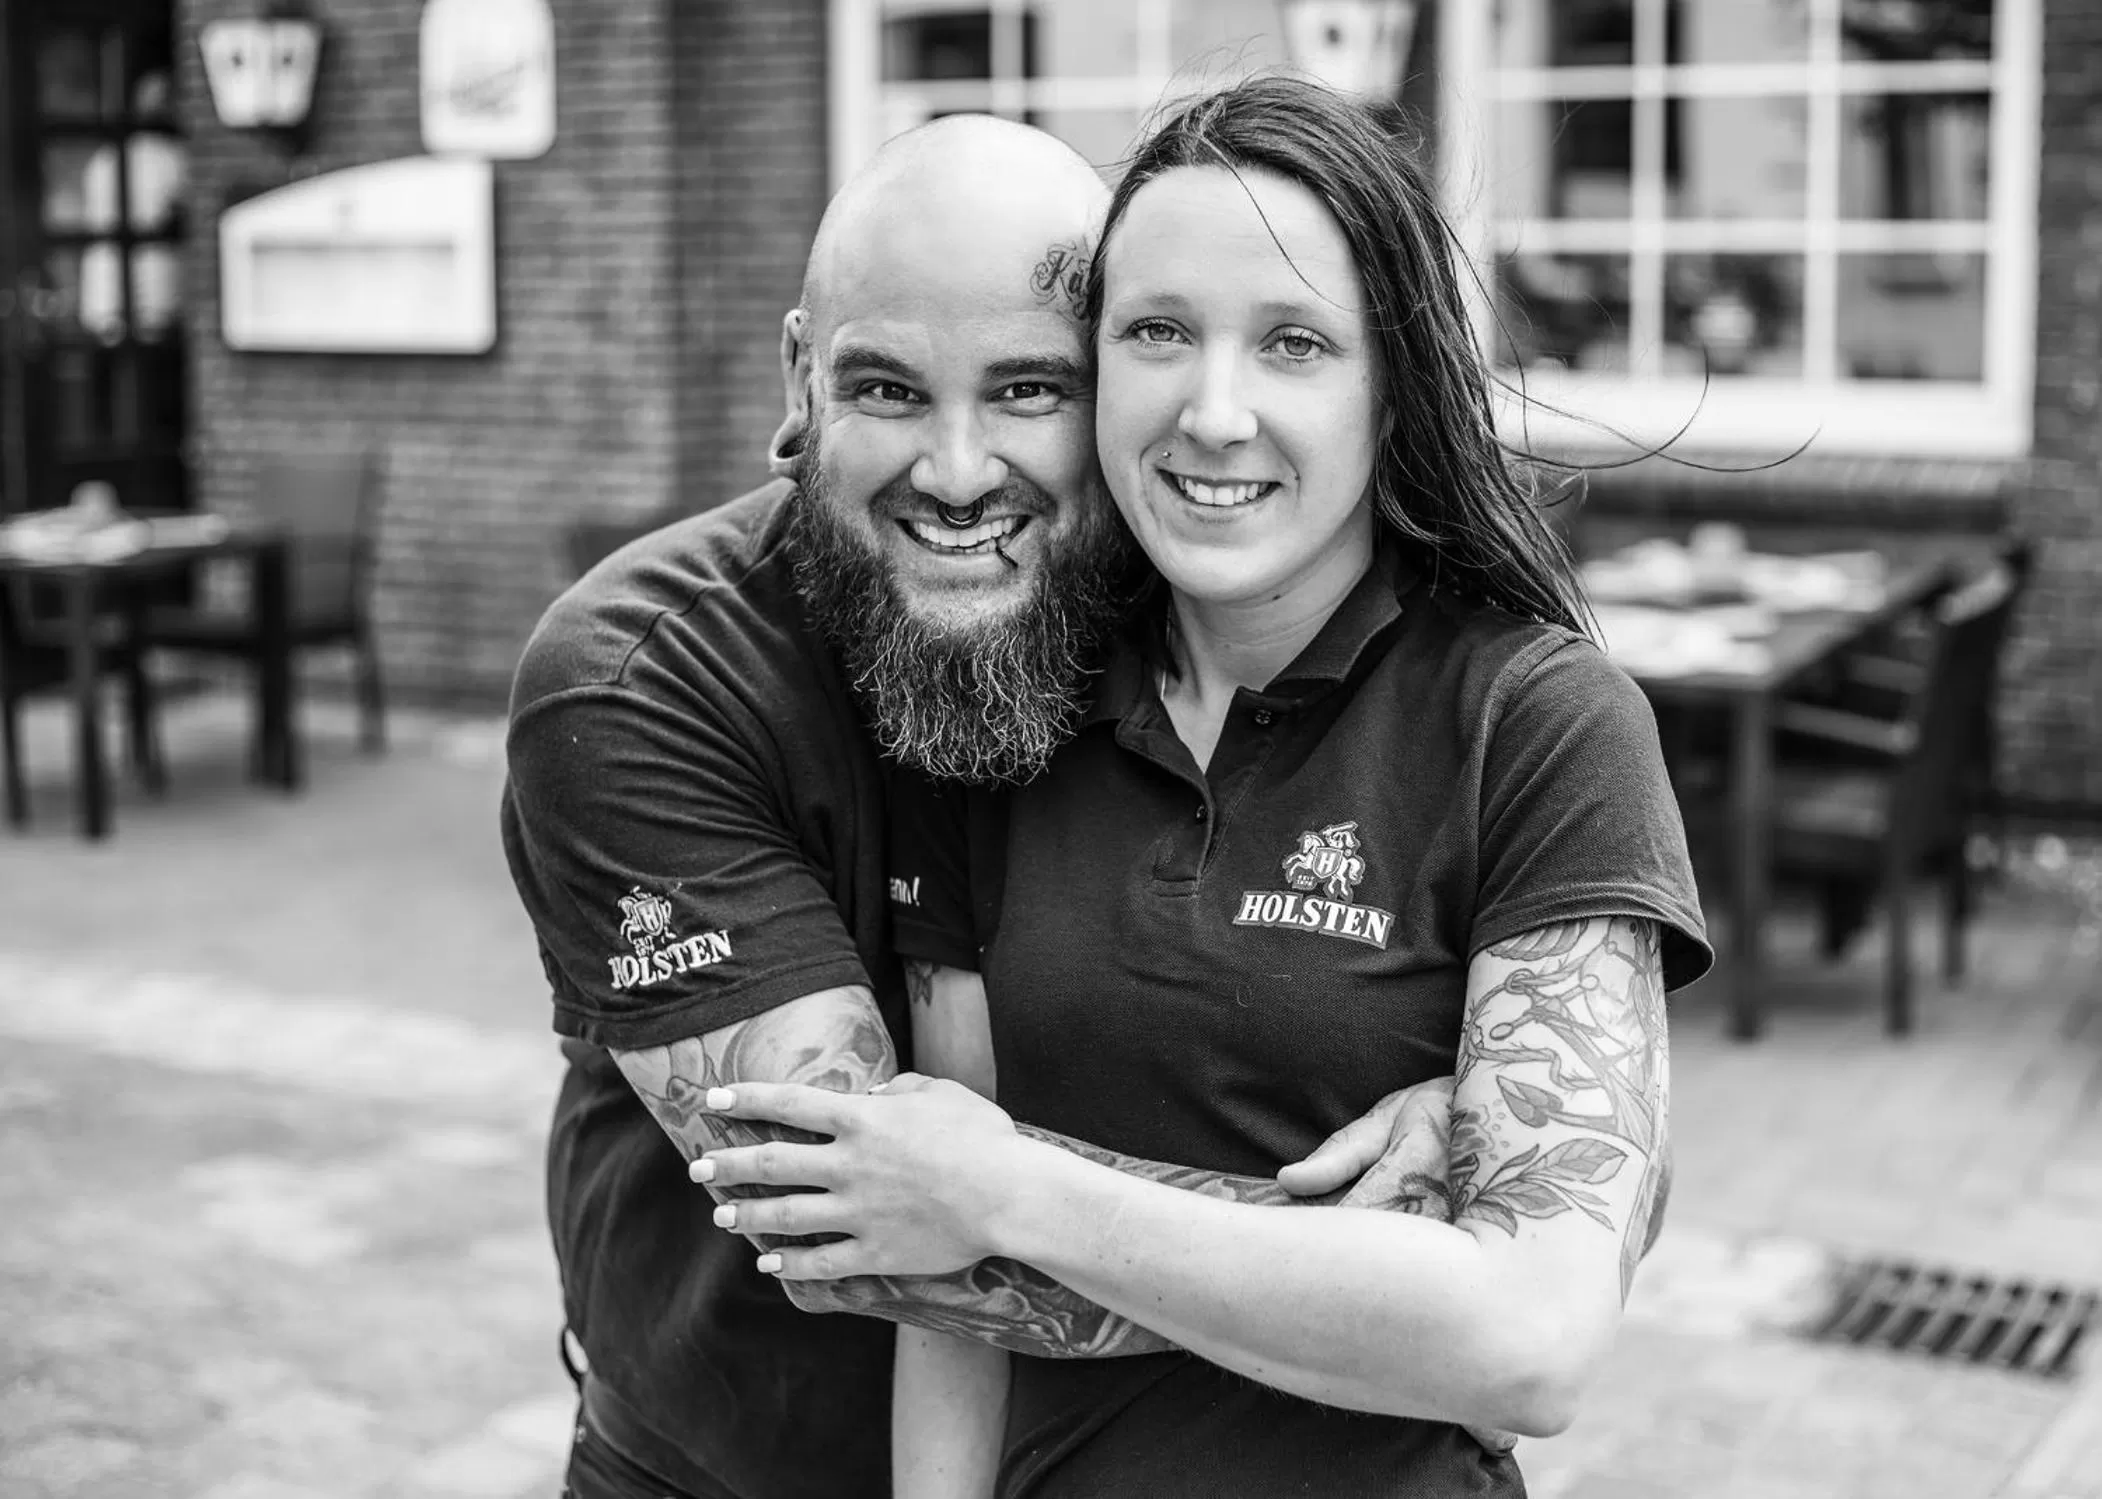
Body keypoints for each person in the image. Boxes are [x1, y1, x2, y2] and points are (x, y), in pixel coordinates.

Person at [684, 76, 1714, 1497]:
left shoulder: (1538, 725)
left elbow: (1530, 1339)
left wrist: (1009, 1189)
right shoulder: (1006, 702)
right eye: (1158, 331)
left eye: (1294, 342)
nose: (1214, 413)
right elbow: (946, 1314)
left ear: (1395, 388)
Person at [501, 111, 1471, 1499]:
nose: (956, 476)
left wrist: (1518, 1130)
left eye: (1027, 390)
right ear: (799, 381)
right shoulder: (637, 679)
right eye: (887, 389)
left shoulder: (1204, 611)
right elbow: (861, 1229)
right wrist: (1446, 1255)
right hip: (715, 1467)